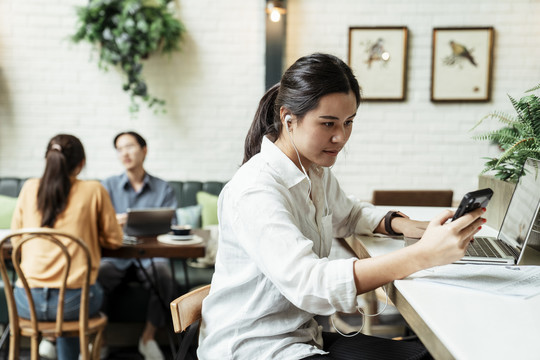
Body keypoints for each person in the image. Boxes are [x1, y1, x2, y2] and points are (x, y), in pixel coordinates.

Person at [198, 53, 486, 359]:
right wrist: (422, 255)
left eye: (348, 123)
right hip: (255, 348)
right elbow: (311, 285)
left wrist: (405, 225)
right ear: (288, 119)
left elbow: (350, 213)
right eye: (328, 123)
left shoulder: (313, 171)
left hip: (301, 337)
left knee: (426, 354)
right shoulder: (255, 189)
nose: (340, 137)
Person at [11, 134, 123, 360]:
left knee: (66, 302)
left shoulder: (29, 188)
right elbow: (114, 241)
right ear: (81, 164)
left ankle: (50, 344)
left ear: (47, 159)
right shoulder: (94, 190)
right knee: (79, 296)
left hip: (25, 300)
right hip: (74, 302)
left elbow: (16, 242)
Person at [98, 131, 178, 360]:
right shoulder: (107, 186)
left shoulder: (164, 189)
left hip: (151, 256)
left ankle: (148, 338)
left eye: (130, 147)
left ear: (144, 150)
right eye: (120, 148)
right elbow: (98, 223)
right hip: (116, 255)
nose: (125, 153)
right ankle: (101, 340)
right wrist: (117, 221)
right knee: (96, 275)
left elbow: (171, 226)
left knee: (164, 274)